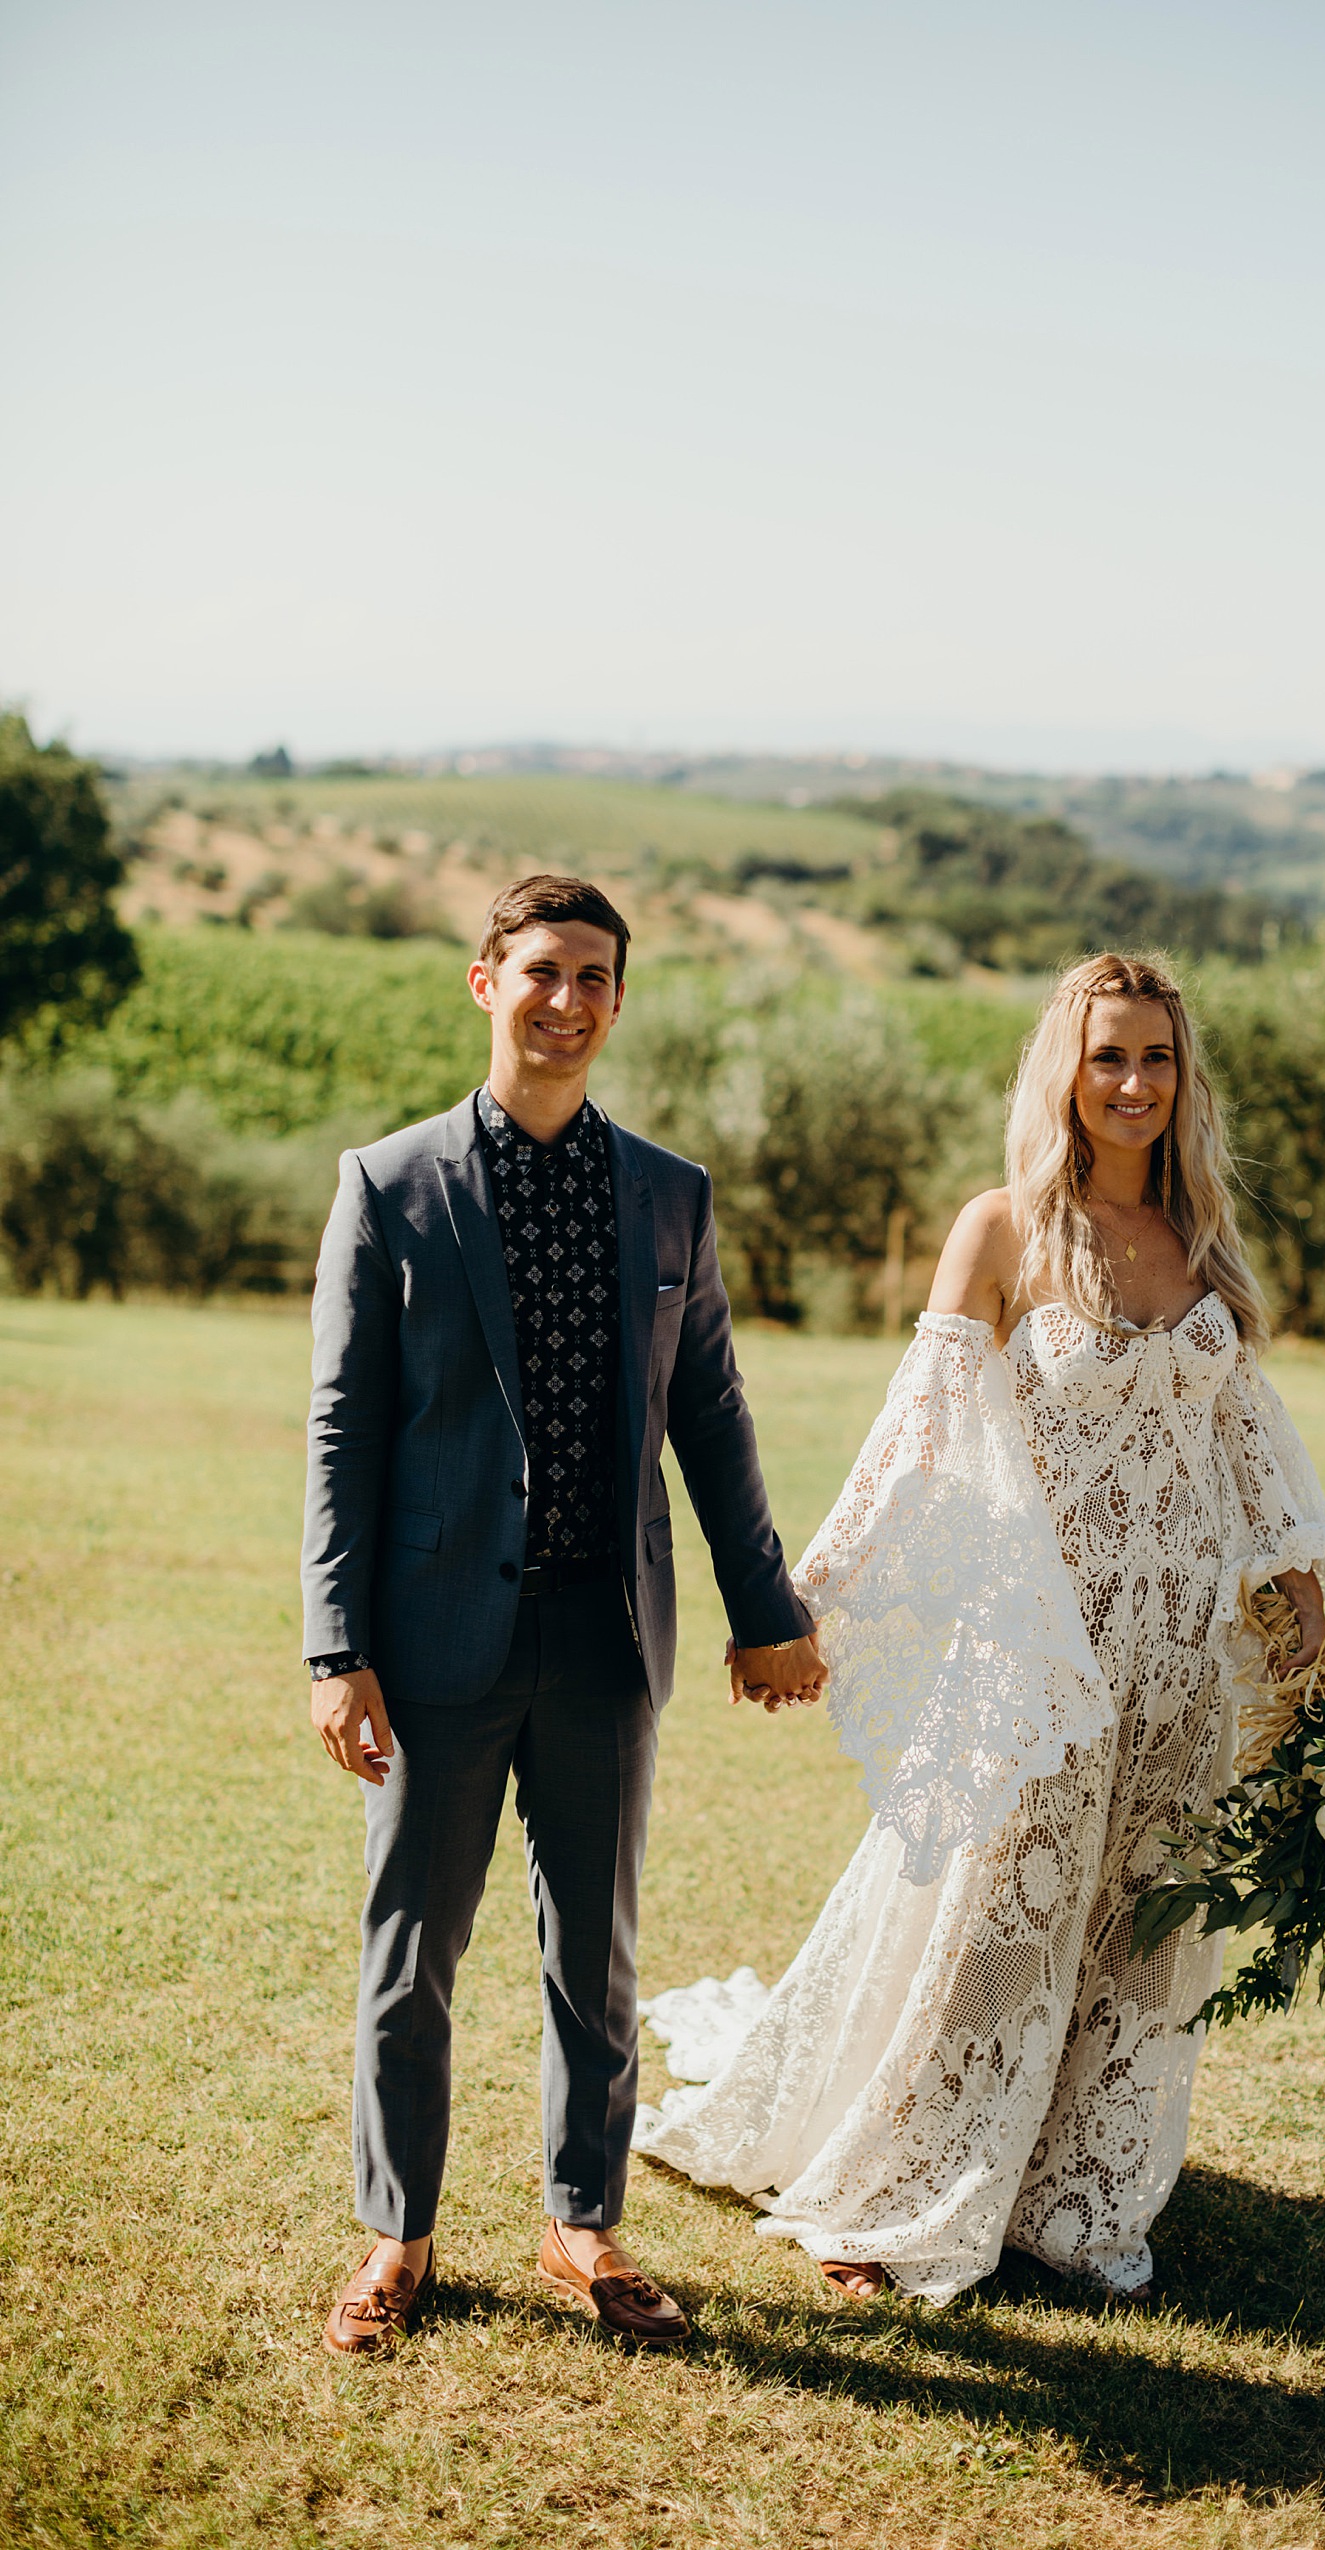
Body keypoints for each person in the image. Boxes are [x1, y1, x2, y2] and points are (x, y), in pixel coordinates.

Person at [633, 950, 1325, 2302]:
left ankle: (1079, 2192)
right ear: (1065, 1070)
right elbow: (921, 1429)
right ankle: (901, 2191)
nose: (1133, 1083)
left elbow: (1246, 1426)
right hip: (1041, 1640)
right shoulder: (1005, 1229)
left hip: (1184, 1646)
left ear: (1183, 1078)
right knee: (994, 1915)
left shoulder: (1203, 1238)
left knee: (1147, 1919)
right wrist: (815, 1586)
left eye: (1156, 1058)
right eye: (1108, 1056)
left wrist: (1299, 1576)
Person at [302, 872, 826, 2355]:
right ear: (486, 982)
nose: (569, 1000)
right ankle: (397, 2236)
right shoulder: (389, 1185)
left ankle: (580, 2221)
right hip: (432, 1640)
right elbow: (344, 1430)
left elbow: (710, 1415)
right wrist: (335, 1648)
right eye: (543, 970)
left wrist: (762, 1605)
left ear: (615, 997)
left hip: (610, 1635)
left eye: (596, 976)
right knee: (412, 1949)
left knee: (594, 1949)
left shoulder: (669, 1192)